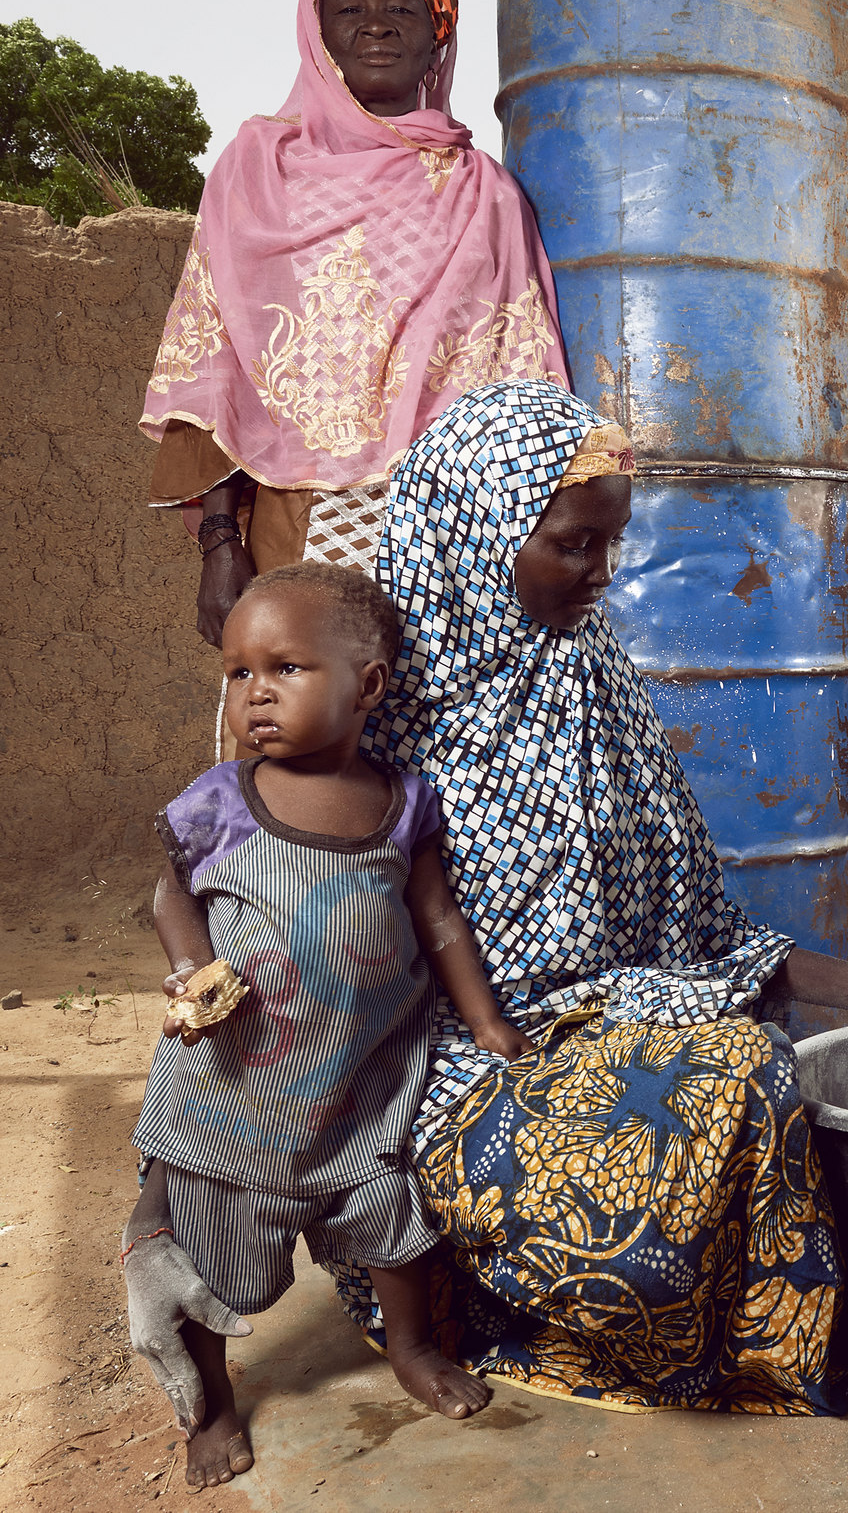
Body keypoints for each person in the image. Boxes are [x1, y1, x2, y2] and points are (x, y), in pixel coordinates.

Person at [126, 381, 848, 1442]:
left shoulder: (592, 682)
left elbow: (701, 940)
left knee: (747, 1076)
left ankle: (762, 1343)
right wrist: (151, 1213)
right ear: (480, 529)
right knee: (644, 1185)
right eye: (576, 544)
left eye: (612, 543)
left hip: (579, 1029)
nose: (603, 574)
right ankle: (451, 1309)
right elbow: (269, 980)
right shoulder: (360, 722)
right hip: (415, 1088)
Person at [131, 561, 534, 1487]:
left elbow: (436, 920)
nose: (254, 694)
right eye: (239, 674)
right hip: (233, 1090)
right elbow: (170, 893)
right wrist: (193, 968)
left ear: (370, 686)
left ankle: (411, 1347)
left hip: (357, 1081)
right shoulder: (224, 800)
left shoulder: (401, 805)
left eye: (285, 669)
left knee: (391, 1230)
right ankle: (215, 1402)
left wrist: (485, 1019)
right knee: (204, 1257)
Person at [138, 0, 568, 661]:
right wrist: (219, 543)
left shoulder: (481, 193)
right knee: (295, 741)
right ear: (317, 35)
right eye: (350, 10)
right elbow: (212, 365)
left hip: (446, 538)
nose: (376, 24)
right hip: (293, 522)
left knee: (433, 753)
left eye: (403, 10)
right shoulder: (254, 172)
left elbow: (525, 386)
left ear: (437, 40)